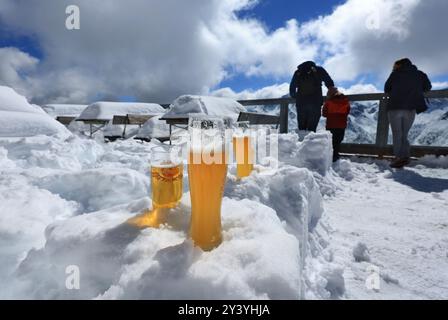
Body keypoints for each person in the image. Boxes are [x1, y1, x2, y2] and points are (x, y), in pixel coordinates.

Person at [385, 58, 432, 169]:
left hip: (395, 107)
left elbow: (387, 89)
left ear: (399, 65)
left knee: (397, 134)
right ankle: (405, 156)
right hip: (410, 108)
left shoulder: (395, 74)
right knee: (404, 134)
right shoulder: (420, 74)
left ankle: (398, 158)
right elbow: (428, 87)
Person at [289, 61, 335, 133]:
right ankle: (310, 143)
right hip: (315, 103)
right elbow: (328, 81)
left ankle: (301, 143)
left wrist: (296, 96)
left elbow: (292, 87)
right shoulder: (319, 70)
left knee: (301, 129)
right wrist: (330, 88)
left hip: (301, 103)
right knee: (312, 130)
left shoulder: (298, 72)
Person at [322, 87, 351, 162]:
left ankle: (331, 157)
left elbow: (324, 114)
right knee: (338, 141)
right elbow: (347, 111)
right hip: (342, 125)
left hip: (331, 125)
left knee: (331, 142)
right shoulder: (345, 101)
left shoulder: (328, 102)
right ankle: (336, 156)